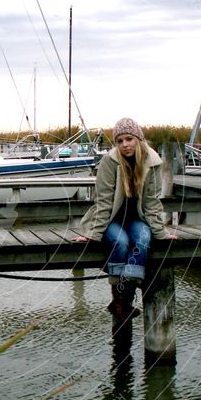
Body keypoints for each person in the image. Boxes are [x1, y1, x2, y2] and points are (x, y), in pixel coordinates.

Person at [73, 118, 175, 321]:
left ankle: (123, 300)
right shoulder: (109, 162)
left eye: (129, 139)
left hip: (136, 218)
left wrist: (162, 233)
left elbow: (152, 202)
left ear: (138, 139)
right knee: (121, 242)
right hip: (111, 219)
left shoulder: (152, 161)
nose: (125, 144)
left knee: (143, 237)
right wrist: (92, 234)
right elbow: (103, 203)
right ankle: (122, 303)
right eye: (119, 141)